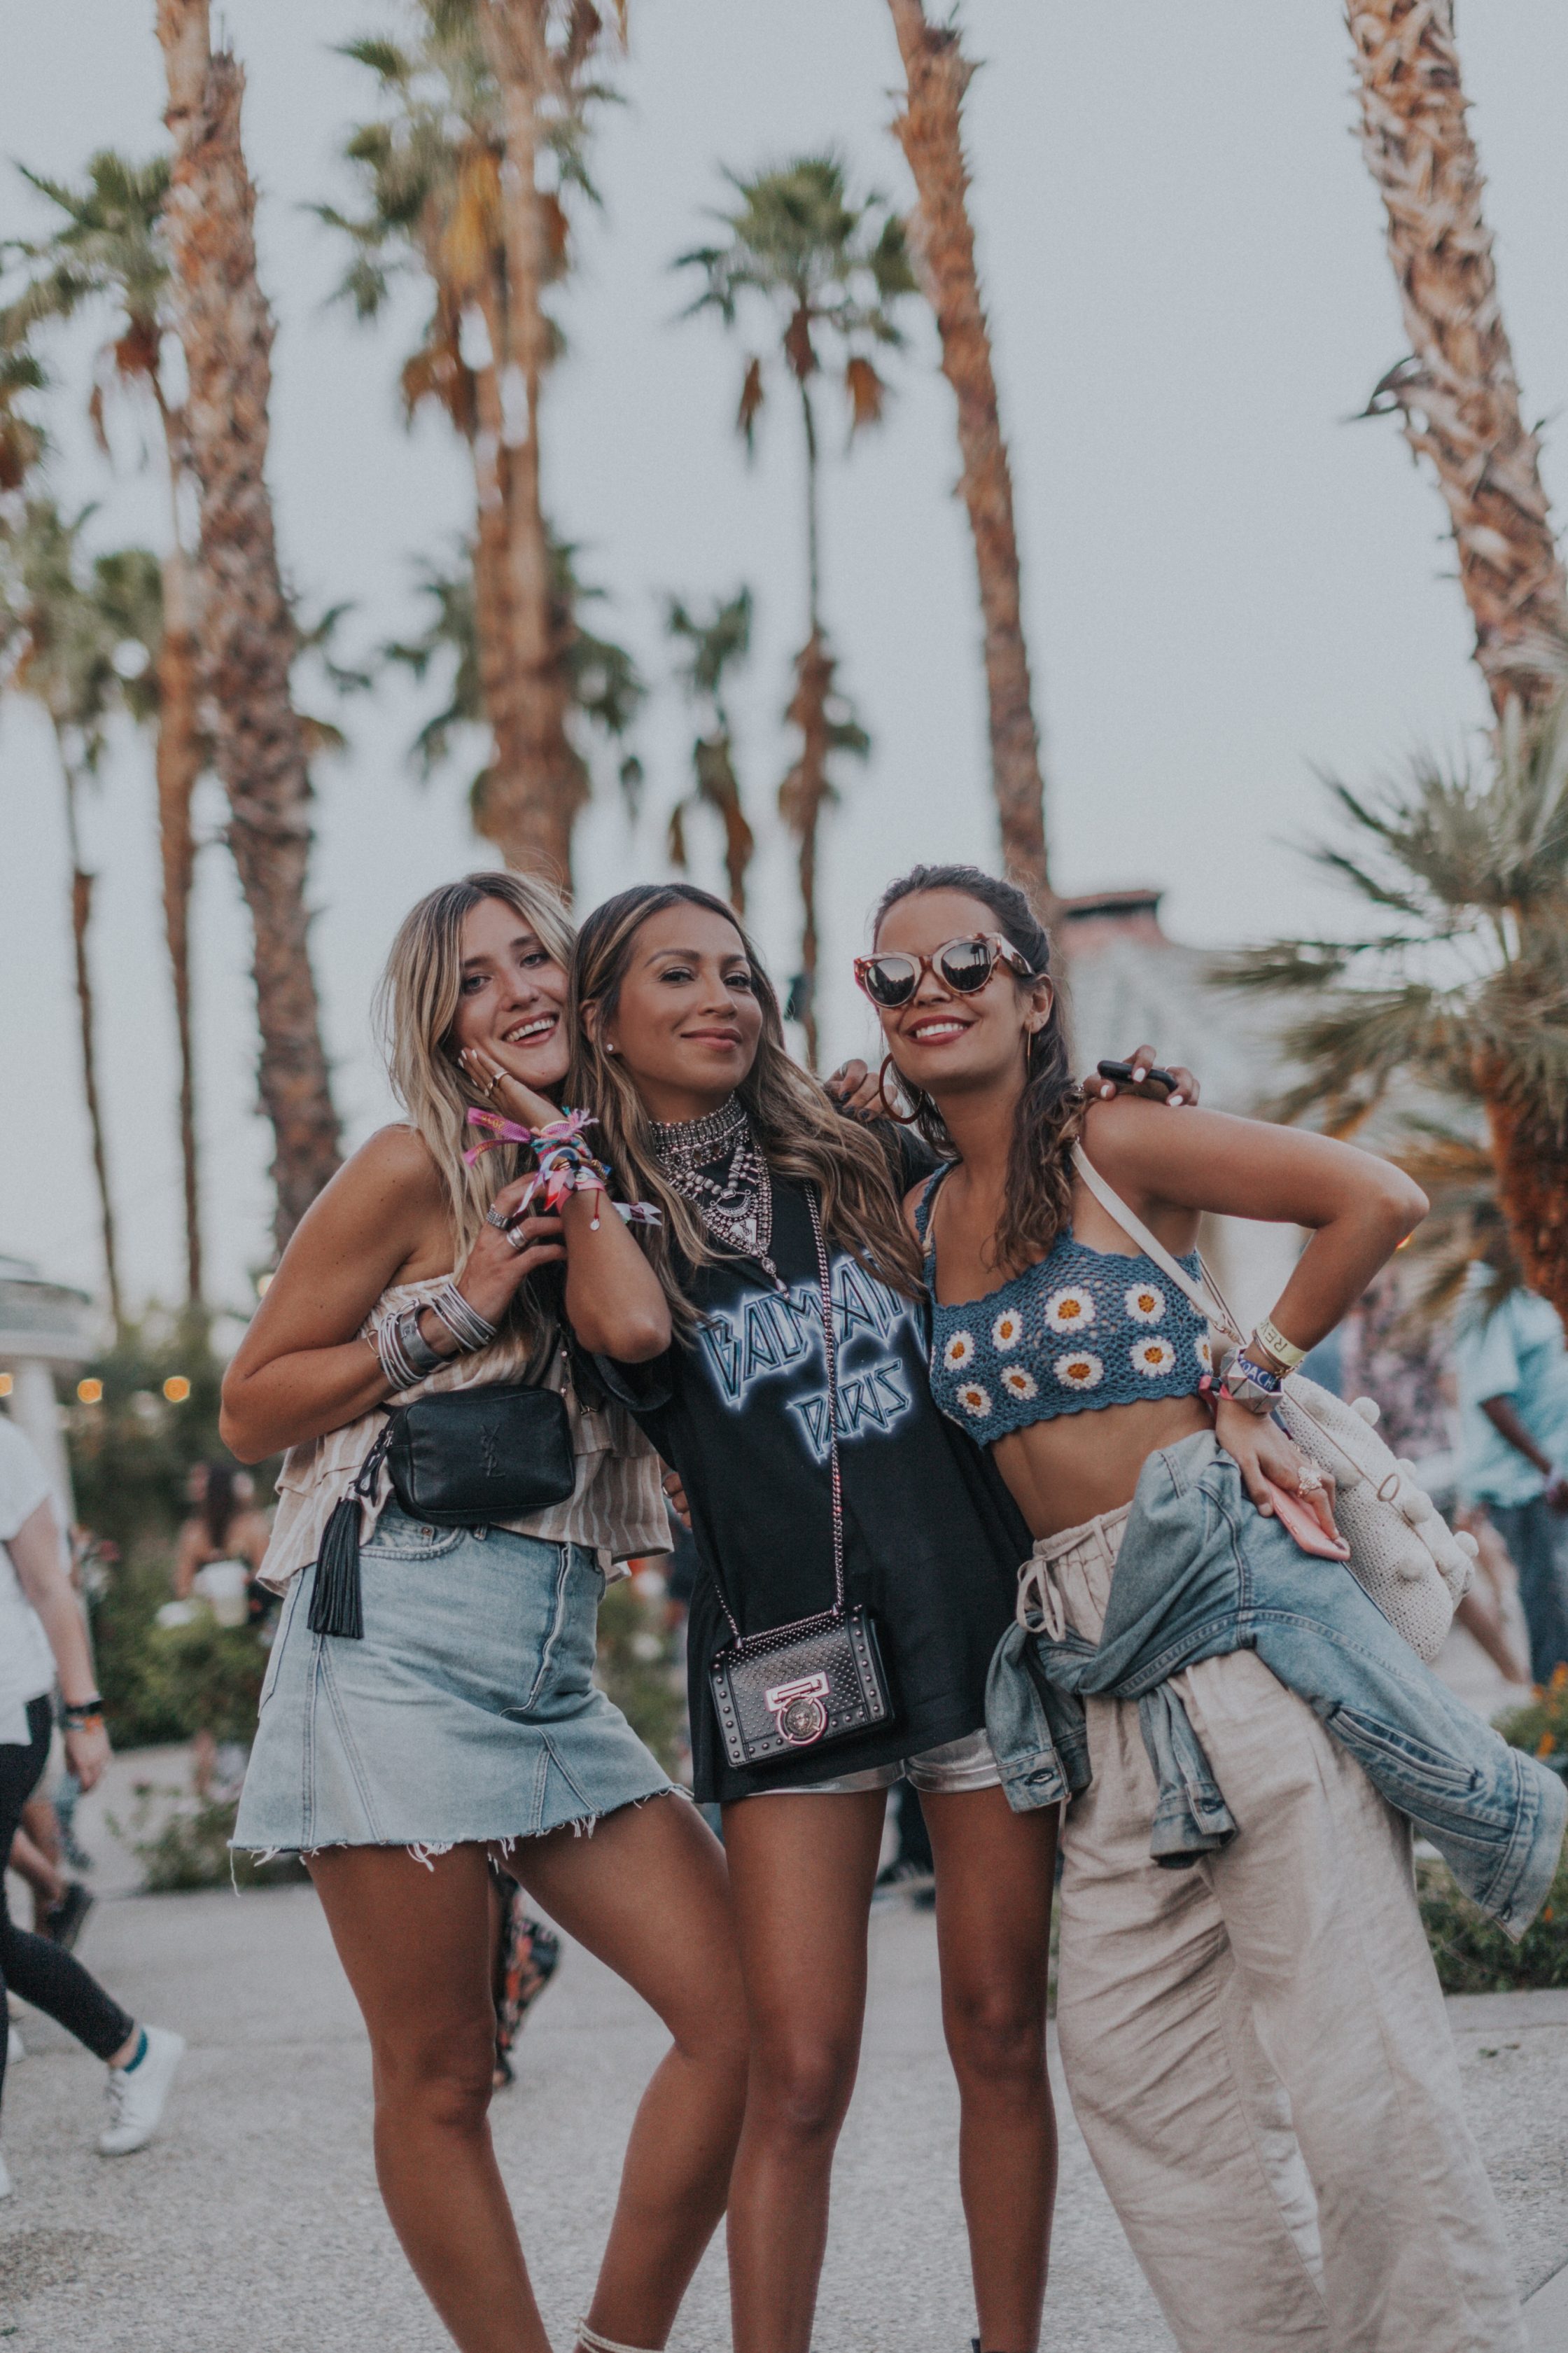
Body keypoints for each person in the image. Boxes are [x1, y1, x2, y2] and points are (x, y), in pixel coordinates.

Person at [862, 860, 1542, 2353]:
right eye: (892, 976)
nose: (929, 993)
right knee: (1137, 2078)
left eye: (965, 963)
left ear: (1036, 994)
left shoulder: (1113, 1136)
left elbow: (1372, 1197)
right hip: (1091, 1679)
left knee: (1358, 2069)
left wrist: (1247, 1377)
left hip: (1241, 1630)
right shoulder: (913, 1219)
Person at [568, 880, 1191, 2353]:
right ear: (605, 1020)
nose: (724, 999)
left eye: (740, 973)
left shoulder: (863, 1152)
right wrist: (582, 1166)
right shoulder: (593, 1220)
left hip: (971, 1637)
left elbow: (1028, 1173)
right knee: (795, 2072)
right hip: (784, 1668)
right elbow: (636, 1338)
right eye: (677, 977)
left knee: (995, 2034)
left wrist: (1119, 1101)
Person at [221, 872, 749, 2353]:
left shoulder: (618, 1173)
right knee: (443, 2074)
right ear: (438, 1022)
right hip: (390, 1645)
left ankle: (615, 2343)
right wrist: (445, 1313)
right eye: (474, 978)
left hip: (550, 1675)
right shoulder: (410, 1167)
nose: (516, 988)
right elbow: (250, 1403)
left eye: (537, 955)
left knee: (744, 2022)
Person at [0, 1411, 185, 2195]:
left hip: (6, 1706)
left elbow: (49, 1582)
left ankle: (134, 2049)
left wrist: (84, 1712)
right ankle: (134, 2049)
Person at [1454, 1248, 1568, 1688]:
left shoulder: (1525, 1287)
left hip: (1545, 1477)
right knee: (1550, 1606)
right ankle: (1555, 1722)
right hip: (1525, 1485)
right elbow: (1491, 1395)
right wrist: (1549, 1469)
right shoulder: (1488, 1295)